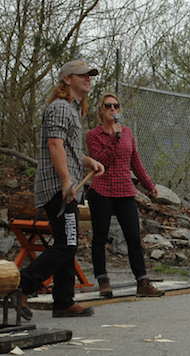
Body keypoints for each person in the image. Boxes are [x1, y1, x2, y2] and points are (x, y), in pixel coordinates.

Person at [19, 59, 105, 318]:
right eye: (83, 75)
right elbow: (55, 145)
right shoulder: (59, 108)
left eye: (90, 75)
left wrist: (89, 161)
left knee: (66, 242)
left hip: (66, 186)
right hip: (60, 188)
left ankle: (64, 302)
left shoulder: (71, 109)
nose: (88, 79)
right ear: (68, 79)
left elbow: (69, 150)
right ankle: (20, 286)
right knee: (67, 244)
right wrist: (66, 180)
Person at [85, 93, 164, 298]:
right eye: (108, 106)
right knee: (100, 238)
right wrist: (114, 138)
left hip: (125, 190)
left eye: (116, 106)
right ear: (101, 111)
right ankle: (103, 280)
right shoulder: (93, 135)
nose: (112, 109)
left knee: (133, 238)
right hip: (102, 190)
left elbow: (135, 161)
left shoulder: (128, 132)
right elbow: (101, 161)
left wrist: (149, 185)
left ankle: (142, 281)